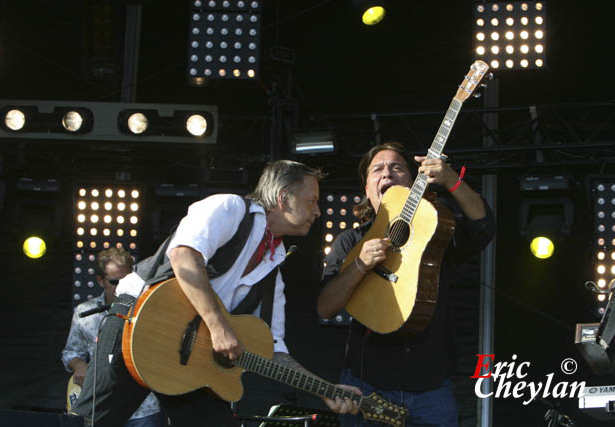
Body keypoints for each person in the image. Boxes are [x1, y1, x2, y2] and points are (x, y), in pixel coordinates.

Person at [72, 160, 362, 427]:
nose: (318, 212)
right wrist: (218, 326)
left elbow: (275, 352)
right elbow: (184, 256)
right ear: (283, 198)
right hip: (134, 322)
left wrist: (323, 390)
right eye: (311, 201)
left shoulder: (274, 269)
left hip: (192, 359)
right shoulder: (230, 208)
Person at [317, 142, 496, 427]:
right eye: (377, 169)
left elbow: (483, 225)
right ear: (367, 189)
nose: (387, 173)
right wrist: (360, 265)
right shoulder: (351, 241)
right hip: (366, 385)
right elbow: (325, 307)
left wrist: (451, 179)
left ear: (414, 184)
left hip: (431, 389)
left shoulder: (435, 232)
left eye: (397, 167)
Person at [62, 247, 162, 427]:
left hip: (143, 408)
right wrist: (79, 365)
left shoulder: (149, 310)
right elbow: (70, 352)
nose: (121, 287)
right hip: (101, 406)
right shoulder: (84, 312)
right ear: (100, 280)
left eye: (126, 280)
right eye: (114, 281)